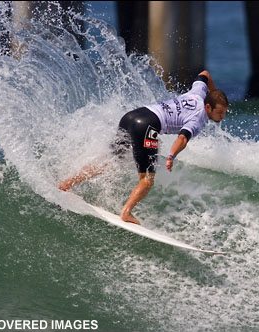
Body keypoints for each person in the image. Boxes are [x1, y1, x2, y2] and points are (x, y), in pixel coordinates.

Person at [58, 70, 228, 225]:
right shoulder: (198, 118)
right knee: (147, 180)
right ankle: (126, 212)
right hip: (147, 127)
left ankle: (66, 184)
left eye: (224, 113)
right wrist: (171, 156)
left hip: (131, 117)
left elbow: (204, 74)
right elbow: (183, 138)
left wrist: (212, 92)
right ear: (208, 107)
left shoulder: (197, 93)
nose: (221, 116)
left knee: (111, 161)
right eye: (219, 112)